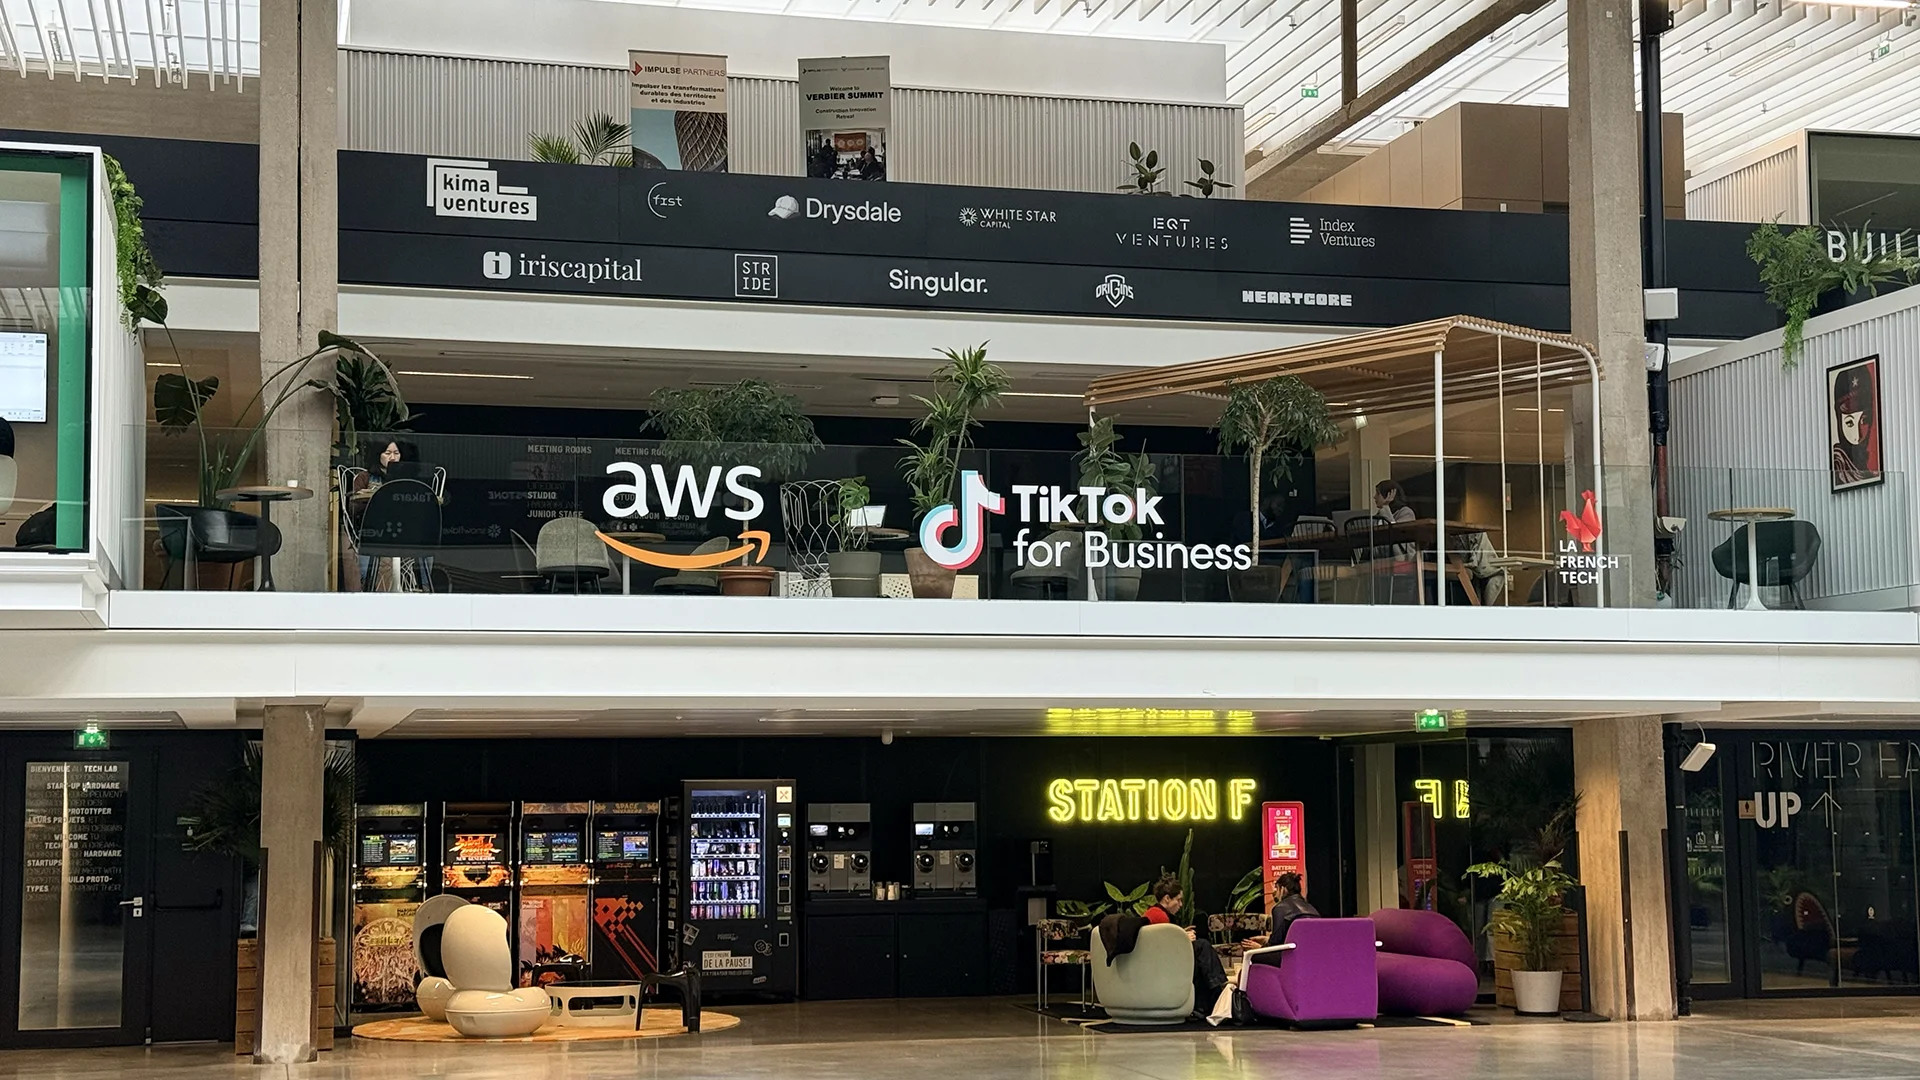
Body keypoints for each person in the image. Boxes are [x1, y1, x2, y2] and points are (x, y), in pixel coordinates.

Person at [1142, 874, 1227, 1017]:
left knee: (1199, 957)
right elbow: (1163, 947)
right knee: (1202, 946)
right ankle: (1219, 990)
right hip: (1163, 966)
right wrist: (1183, 938)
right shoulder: (1159, 916)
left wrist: (1180, 933)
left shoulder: (1154, 913)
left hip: (1159, 964)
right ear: (1167, 898)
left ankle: (1206, 1002)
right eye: (1178, 900)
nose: (1181, 904)